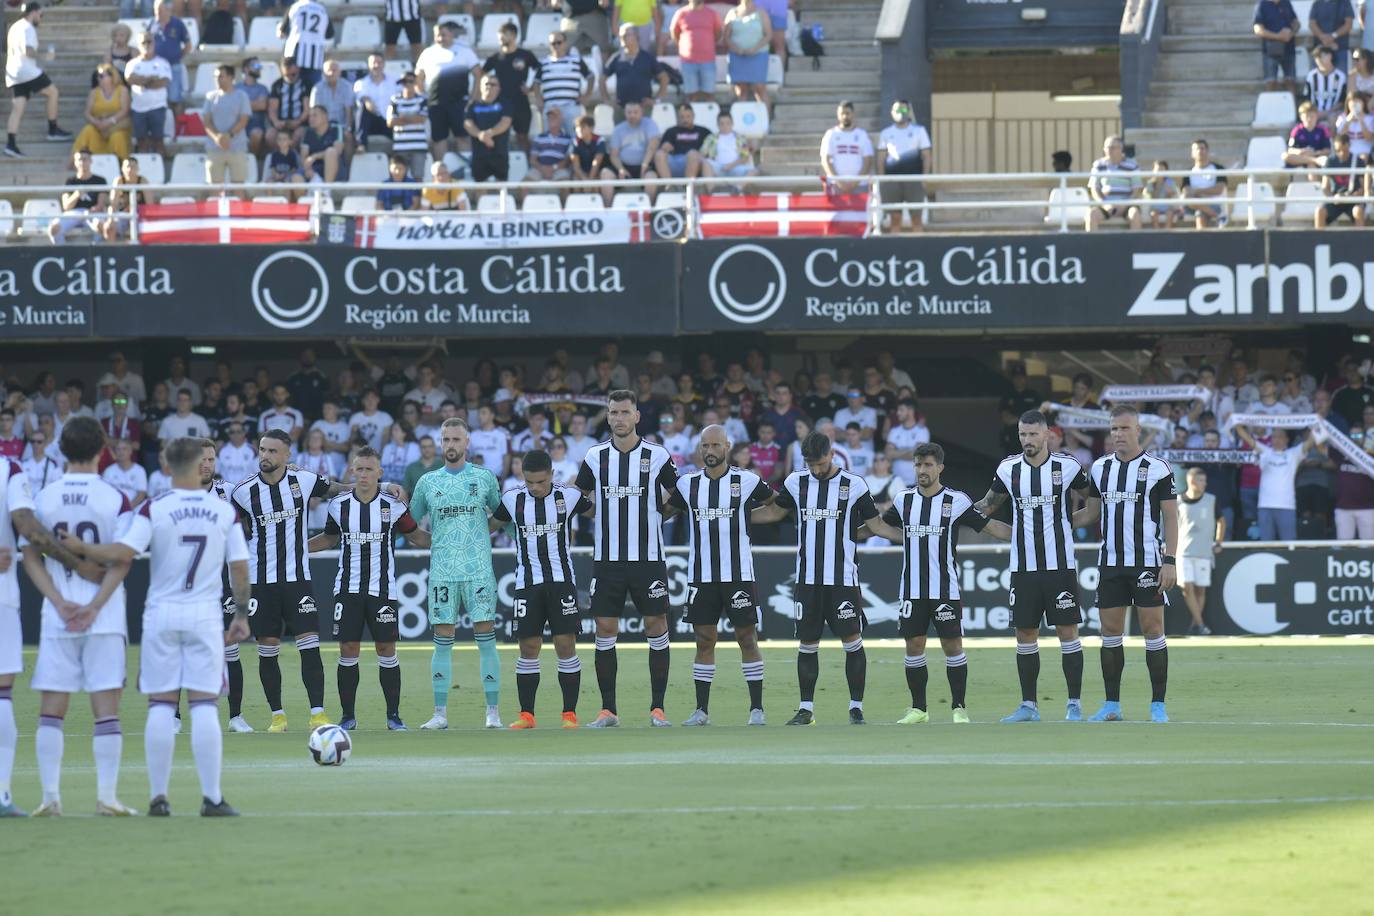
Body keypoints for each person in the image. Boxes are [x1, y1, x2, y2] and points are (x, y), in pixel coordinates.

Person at [70, 437, 250, 816]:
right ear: (200, 464)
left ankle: (158, 798)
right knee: (204, 704)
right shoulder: (223, 511)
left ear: (166, 467)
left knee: (161, 705)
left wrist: (79, 547)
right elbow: (239, 566)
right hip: (204, 615)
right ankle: (212, 798)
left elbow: (122, 554)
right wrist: (240, 616)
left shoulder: (155, 507)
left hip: (162, 614)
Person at [21, 418, 137, 817]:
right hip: (103, 618)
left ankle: (50, 797)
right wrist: (95, 606)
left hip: (58, 617)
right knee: (106, 710)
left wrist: (57, 601)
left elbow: (29, 556)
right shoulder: (115, 497)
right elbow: (123, 558)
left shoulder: (44, 497)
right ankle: (107, 797)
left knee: (51, 710)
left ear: (60, 448)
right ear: (102, 447)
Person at [1, 429, 106, 817]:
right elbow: (27, 527)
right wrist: (78, 565)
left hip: (31, 604)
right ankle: (5, 794)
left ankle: (27, 795)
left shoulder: (36, 486)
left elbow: (29, 537)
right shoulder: (10, 470)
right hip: (11, 599)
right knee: (3, 695)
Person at [862, 443, 1005, 723]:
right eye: (918, 465)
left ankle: (959, 707)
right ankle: (919, 709)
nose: (922, 470)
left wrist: (1024, 537)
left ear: (940, 468)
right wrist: (843, 533)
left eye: (928, 465)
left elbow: (989, 525)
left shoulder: (957, 501)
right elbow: (879, 527)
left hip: (945, 589)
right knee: (913, 645)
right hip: (911, 590)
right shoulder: (904, 500)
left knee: (952, 646)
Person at [975, 411, 1096, 724]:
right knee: (1025, 634)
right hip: (1024, 568)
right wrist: (955, 511)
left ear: (1046, 435)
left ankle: (1074, 705)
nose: (1027, 440)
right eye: (1022, 435)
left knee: (1067, 632)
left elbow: (1093, 501)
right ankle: (1029, 705)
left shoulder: (1067, 467)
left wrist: (1070, 523)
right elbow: (987, 507)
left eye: (1032, 435)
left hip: (1060, 566)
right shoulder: (1008, 469)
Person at [751, 432, 880, 725]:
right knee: (807, 643)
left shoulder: (854, 484)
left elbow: (874, 525)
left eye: (821, 463)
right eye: (811, 464)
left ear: (831, 454)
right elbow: (774, 512)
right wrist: (737, 516)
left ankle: (856, 707)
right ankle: (806, 708)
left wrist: (861, 534)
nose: (817, 470)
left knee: (852, 641)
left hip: (843, 579)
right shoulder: (796, 482)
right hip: (807, 579)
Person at [574, 390, 680, 727]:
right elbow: (581, 500)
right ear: (608, 417)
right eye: (613, 412)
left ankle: (658, 708)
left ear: (637, 416)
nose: (619, 418)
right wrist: (602, 517)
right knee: (605, 628)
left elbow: (678, 495)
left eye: (624, 412)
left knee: (656, 625)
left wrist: (654, 516)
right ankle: (608, 710)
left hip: (648, 559)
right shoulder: (595, 456)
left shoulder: (658, 455)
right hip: (607, 560)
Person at [308, 448, 429, 731]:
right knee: (348, 649)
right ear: (352, 471)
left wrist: (448, 540)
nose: (363, 475)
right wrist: (297, 549)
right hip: (347, 589)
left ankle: (393, 717)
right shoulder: (339, 505)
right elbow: (328, 538)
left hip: (383, 590)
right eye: (359, 469)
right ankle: (348, 717)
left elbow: (416, 536)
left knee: (386, 649)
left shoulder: (394, 506)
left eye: (369, 470)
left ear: (380, 473)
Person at [229, 430, 343, 732]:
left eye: (272, 451)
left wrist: (382, 486)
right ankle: (277, 715)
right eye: (262, 450)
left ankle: (317, 713)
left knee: (310, 644)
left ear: (287, 455)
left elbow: (338, 490)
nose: (265, 456)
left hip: (297, 580)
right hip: (261, 582)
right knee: (267, 646)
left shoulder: (303, 480)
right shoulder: (242, 491)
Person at [666, 426, 776, 726]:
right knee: (704, 639)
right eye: (705, 446)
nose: (710, 451)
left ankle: (757, 709)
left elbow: (776, 505)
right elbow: (663, 512)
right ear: (699, 449)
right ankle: (701, 710)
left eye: (716, 445)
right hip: (702, 576)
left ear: (727, 446)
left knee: (746, 637)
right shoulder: (688, 484)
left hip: (738, 573)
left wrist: (751, 519)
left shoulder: (747, 479)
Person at [1083, 406, 1178, 724]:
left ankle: (1158, 705)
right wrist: (1052, 524)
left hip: (1148, 563)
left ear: (1138, 430)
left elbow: (1171, 518)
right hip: (1110, 563)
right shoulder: (1099, 469)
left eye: (1125, 428)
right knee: (1109, 632)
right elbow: (1090, 513)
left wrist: (1170, 561)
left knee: (1153, 630)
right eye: (1114, 429)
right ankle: (1112, 705)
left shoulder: (1158, 468)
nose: (1118, 434)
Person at [409, 418, 504, 730]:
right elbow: (409, 525)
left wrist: (480, 535)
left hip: (478, 571)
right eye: (445, 439)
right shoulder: (427, 482)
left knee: (486, 640)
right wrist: (432, 543)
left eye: (456, 439)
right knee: (442, 642)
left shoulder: (485, 479)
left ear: (467, 443)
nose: (450, 445)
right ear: (440, 443)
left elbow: (500, 516)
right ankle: (440, 714)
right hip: (442, 573)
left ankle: (493, 713)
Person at [490, 449, 592, 729]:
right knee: (529, 647)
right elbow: (490, 525)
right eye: (530, 482)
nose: (535, 488)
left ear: (551, 475)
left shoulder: (568, 496)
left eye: (540, 482)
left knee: (565, 645)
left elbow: (597, 510)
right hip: (527, 583)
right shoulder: (512, 499)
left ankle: (569, 714)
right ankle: (527, 715)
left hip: (561, 582)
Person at [1232, 422, 1323, 540]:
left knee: (1289, 544)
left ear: (1286, 440)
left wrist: (1318, 422)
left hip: (1286, 506)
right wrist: (1236, 422)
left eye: (1280, 437)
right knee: (1266, 545)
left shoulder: (1293, 454)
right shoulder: (1265, 452)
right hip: (1265, 506)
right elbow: (1247, 438)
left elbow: (1310, 441)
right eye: (1274, 437)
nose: (1277, 440)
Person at [5, 2, 72, 158]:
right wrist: (45, 57)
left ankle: (11, 143)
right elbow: (28, 51)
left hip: (14, 73)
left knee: (18, 107)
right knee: (53, 92)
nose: (40, 19)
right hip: (27, 71)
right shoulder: (28, 27)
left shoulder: (15, 26)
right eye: (41, 15)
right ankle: (52, 129)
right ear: (34, 12)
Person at [415, 21, 481, 162]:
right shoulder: (428, 53)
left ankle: (466, 168)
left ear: (451, 34)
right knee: (439, 139)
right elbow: (419, 78)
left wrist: (474, 97)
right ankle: (442, 172)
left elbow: (478, 74)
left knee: (463, 137)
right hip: (436, 104)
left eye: (443, 35)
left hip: (459, 103)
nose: (440, 38)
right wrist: (424, 97)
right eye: (437, 35)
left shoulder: (464, 51)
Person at [1178, 466, 1224, 636]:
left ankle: (1195, 626)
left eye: (1205, 480)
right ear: (1191, 481)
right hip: (1183, 552)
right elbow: (1170, 525)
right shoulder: (1178, 501)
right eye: (1201, 480)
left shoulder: (1211, 500)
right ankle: (1201, 624)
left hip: (1204, 552)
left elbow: (1221, 521)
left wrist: (1218, 542)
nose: (1204, 483)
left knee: (1200, 590)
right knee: (1186, 588)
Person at [876, 99, 932, 233]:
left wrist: (924, 177)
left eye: (903, 109)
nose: (900, 113)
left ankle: (919, 249)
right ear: (892, 112)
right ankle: (895, 249)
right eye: (897, 110)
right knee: (894, 219)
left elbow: (926, 155)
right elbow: (881, 158)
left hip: (914, 179)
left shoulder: (919, 131)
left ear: (908, 112)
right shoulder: (886, 133)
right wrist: (882, 180)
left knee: (917, 218)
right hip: (892, 180)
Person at [483, 21, 538, 150]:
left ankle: (527, 163)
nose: (501, 38)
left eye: (504, 34)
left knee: (522, 137)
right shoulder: (495, 58)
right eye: (499, 35)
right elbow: (481, 74)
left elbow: (539, 71)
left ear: (513, 35)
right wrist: (489, 90)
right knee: (499, 136)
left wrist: (530, 88)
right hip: (500, 103)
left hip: (521, 102)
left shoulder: (525, 55)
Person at [124, 32, 172, 156]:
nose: (146, 44)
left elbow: (163, 82)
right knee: (141, 141)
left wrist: (141, 81)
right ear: (138, 45)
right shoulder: (132, 64)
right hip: (138, 108)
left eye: (149, 41)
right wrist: (151, 79)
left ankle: (160, 168)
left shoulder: (163, 62)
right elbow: (130, 79)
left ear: (154, 43)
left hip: (158, 107)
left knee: (158, 140)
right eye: (143, 42)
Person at [534, 31, 593, 131]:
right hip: (551, 107)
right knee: (551, 140)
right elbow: (536, 82)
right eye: (553, 43)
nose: (556, 45)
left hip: (571, 106)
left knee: (574, 138)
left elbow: (590, 77)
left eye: (559, 42)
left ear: (565, 43)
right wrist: (539, 100)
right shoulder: (543, 63)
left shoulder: (576, 60)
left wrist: (587, 95)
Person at [203, 64, 252, 184]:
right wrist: (217, 138)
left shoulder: (241, 96)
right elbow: (206, 121)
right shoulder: (210, 97)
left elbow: (244, 120)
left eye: (220, 76)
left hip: (237, 147)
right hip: (214, 148)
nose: (217, 80)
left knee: (238, 186)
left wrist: (228, 136)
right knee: (214, 187)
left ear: (231, 77)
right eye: (215, 77)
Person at [48, 149, 109, 245]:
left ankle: (97, 253)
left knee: (101, 226)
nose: (82, 162)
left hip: (92, 213)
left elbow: (100, 205)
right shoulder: (70, 181)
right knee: (54, 228)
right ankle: (61, 253)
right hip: (74, 212)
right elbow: (66, 206)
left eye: (85, 159)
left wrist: (91, 211)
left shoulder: (100, 180)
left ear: (91, 161)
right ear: (75, 163)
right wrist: (76, 194)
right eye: (79, 160)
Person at [603, 23, 668, 110]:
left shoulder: (648, 57)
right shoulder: (616, 58)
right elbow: (601, 79)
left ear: (637, 36)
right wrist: (607, 100)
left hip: (643, 109)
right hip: (622, 109)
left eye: (626, 35)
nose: (622, 38)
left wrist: (656, 100)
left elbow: (664, 78)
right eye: (621, 35)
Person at [73, 65, 132, 161]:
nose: (98, 78)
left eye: (101, 76)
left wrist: (110, 121)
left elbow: (125, 110)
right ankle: (77, 160)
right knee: (88, 130)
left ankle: (121, 163)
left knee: (117, 137)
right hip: (99, 126)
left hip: (117, 125)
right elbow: (87, 112)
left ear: (112, 76)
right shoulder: (94, 92)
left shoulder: (122, 90)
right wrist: (96, 122)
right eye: (98, 76)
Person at [670, 0, 723, 102]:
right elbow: (674, 33)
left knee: (709, 94)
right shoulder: (681, 13)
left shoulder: (712, 14)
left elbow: (718, 32)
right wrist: (684, 46)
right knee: (691, 95)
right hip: (688, 61)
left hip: (708, 60)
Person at [1086, 134, 1142, 231]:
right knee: (1091, 215)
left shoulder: (1132, 165)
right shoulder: (1098, 165)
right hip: (1106, 204)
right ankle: (1092, 245)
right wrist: (1105, 204)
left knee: (1135, 214)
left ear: (1121, 149)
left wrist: (1124, 205)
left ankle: (1134, 245)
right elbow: (1094, 189)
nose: (1109, 150)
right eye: (1107, 148)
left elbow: (1137, 190)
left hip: (1127, 204)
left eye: (1112, 148)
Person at [464, 73, 513, 184]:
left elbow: (506, 122)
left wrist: (489, 134)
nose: (489, 86)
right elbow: (468, 123)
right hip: (479, 154)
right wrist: (481, 135)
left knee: (502, 187)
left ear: (499, 88)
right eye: (486, 83)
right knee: (480, 187)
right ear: (480, 86)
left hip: (499, 153)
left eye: (493, 84)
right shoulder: (472, 105)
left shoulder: (505, 103)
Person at [147, 0, 192, 115]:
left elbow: (188, 45)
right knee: (158, 99)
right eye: (156, 10)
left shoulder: (178, 24)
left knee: (175, 98)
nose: (157, 13)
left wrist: (178, 55)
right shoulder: (152, 23)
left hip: (174, 66)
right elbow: (147, 43)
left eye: (160, 11)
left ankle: (179, 128)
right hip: (156, 67)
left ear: (168, 10)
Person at [723, 0, 771, 106]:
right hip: (737, 56)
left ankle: (765, 118)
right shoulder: (732, 13)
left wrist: (754, 49)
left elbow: (768, 35)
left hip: (758, 55)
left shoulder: (761, 13)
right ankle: (741, 118)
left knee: (759, 88)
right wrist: (736, 49)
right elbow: (726, 37)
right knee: (741, 90)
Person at [820, 100, 874, 193]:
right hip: (836, 185)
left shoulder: (862, 135)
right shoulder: (831, 134)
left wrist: (856, 182)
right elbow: (826, 160)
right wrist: (838, 181)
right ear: (838, 115)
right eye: (842, 113)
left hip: (860, 185)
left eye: (847, 113)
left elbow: (868, 160)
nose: (845, 116)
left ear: (853, 114)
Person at [387, 71, 430, 182]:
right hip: (400, 147)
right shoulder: (394, 100)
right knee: (399, 177)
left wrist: (402, 117)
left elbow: (422, 119)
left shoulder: (422, 100)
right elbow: (390, 122)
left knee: (418, 177)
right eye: (404, 82)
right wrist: (412, 117)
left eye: (410, 81)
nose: (407, 84)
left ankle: (418, 199)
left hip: (419, 146)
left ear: (415, 83)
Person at [1317, 133, 1366, 227]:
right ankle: (1320, 240)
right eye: (1338, 151)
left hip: (1353, 200)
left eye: (1345, 150)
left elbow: (1363, 187)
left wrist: (1354, 196)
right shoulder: (1330, 161)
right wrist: (1333, 198)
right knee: (1320, 212)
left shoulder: (1358, 161)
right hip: (1336, 199)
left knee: (1358, 211)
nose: (1342, 153)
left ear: (1349, 146)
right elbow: (1324, 187)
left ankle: (1360, 240)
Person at [279, 0, 330, 90]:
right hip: (315, 56)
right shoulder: (322, 10)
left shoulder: (295, 7)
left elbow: (282, 32)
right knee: (314, 89)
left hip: (295, 53)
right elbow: (329, 34)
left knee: (294, 88)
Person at [654, 102, 710, 179]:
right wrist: (665, 147)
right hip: (674, 161)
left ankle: (688, 187)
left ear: (693, 116)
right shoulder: (670, 131)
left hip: (694, 162)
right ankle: (669, 186)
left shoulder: (704, 131)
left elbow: (711, 148)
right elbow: (663, 148)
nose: (685, 119)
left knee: (692, 154)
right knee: (659, 154)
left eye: (688, 116)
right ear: (678, 118)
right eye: (682, 117)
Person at [310, 60, 355, 156]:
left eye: (334, 70)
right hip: (323, 125)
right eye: (328, 70)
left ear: (340, 72)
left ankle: (348, 169)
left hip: (341, 126)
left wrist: (348, 128)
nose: (331, 73)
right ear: (323, 73)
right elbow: (314, 112)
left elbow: (349, 111)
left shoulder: (347, 87)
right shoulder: (317, 89)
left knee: (348, 137)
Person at [608, 99, 660, 182]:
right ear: (625, 113)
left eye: (635, 112)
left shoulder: (650, 124)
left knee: (651, 178)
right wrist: (621, 169)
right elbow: (614, 155)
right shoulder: (617, 129)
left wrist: (645, 165)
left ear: (641, 112)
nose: (632, 115)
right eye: (629, 112)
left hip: (646, 165)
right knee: (606, 174)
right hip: (623, 166)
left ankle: (650, 195)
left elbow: (653, 146)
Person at [1254, 0, 1300, 93]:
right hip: (1270, 51)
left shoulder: (1286, 3)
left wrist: (1291, 33)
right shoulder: (1262, 5)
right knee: (1271, 82)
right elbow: (1258, 29)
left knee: (1290, 81)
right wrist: (1278, 36)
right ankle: (1269, 106)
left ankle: (1292, 106)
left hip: (1289, 49)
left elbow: (1296, 22)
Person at [1181, 138, 1227, 229]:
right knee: (1189, 199)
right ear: (1192, 153)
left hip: (1214, 204)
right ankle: (1219, 217)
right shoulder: (1188, 172)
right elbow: (1186, 192)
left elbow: (1219, 190)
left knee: (1200, 213)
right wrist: (1202, 195)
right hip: (1192, 206)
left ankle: (1201, 240)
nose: (1200, 151)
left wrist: (1197, 192)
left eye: (1202, 148)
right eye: (1196, 149)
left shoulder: (1218, 168)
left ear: (1207, 151)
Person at [701, 110, 758, 183]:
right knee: (705, 163)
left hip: (735, 167)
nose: (725, 126)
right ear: (718, 125)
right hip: (718, 168)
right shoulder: (711, 138)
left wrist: (731, 165)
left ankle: (738, 189)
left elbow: (745, 157)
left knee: (754, 171)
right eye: (722, 124)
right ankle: (711, 191)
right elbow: (702, 153)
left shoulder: (740, 138)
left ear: (732, 123)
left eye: (728, 123)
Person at [353, 53, 397, 147]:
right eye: (373, 63)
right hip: (371, 123)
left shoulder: (395, 82)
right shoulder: (361, 83)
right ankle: (361, 144)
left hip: (390, 122)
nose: (376, 65)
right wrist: (367, 100)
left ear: (384, 64)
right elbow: (363, 98)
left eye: (379, 62)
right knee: (363, 107)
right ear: (368, 65)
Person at [267, 57, 308, 149]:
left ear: (298, 69)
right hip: (281, 123)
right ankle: (279, 157)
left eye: (293, 74)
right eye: (286, 75)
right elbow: (272, 108)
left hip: (299, 123)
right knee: (270, 136)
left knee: (298, 135)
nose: (290, 77)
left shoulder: (305, 84)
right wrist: (276, 122)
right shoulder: (277, 85)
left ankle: (291, 158)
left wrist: (298, 121)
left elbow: (307, 109)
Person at [527, 104, 574, 184]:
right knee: (525, 182)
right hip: (540, 169)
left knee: (565, 183)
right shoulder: (539, 138)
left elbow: (567, 160)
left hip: (559, 170)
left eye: (554, 117)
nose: (551, 119)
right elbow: (533, 160)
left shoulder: (568, 139)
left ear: (561, 119)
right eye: (549, 117)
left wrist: (554, 168)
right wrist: (543, 169)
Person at [237, 57, 271, 156]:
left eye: (260, 66)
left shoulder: (263, 88)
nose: (259, 68)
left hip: (255, 124)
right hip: (238, 123)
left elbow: (262, 105)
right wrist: (253, 104)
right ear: (246, 69)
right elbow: (233, 106)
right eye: (256, 66)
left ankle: (252, 160)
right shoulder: (236, 87)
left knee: (257, 134)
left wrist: (241, 104)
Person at [1305, 45, 1347, 126]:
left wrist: (1327, 112)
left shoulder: (1341, 76)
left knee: (1333, 118)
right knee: (1310, 117)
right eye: (1316, 57)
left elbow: (1342, 100)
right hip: (1314, 111)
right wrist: (1315, 111)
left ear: (1330, 56)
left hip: (1334, 111)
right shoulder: (1311, 76)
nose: (1319, 59)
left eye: (1321, 56)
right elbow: (1307, 98)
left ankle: (1333, 138)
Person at [300, 103, 343, 183]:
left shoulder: (335, 128)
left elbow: (338, 150)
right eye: (310, 116)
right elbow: (304, 156)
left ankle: (327, 190)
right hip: (314, 169)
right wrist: (307, 169)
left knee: (331, 152)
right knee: (296, 178)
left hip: (334, 168)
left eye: (315, 115)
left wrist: (315, 156)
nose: (311, 119)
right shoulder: (308, 132)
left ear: (325, 117)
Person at [1285, 100, 1333, 169]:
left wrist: (1314, 153)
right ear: (1301, 117)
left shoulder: (1323, 130)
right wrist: (1301, 151)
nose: (1309, 119)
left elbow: (1327, 150)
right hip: (1300, 159)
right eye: (1307, 116)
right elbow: (1290, 150)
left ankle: (1313, 161)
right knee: (1285, 156)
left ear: (1316, 116)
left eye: (1312, 116)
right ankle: (1313, 161)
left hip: (1318, 157)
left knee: (1312, 166)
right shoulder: (1296, 130)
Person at [1309, 0, 1355, 70]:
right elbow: (1312, 24)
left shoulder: (1345, 3)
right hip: (1320, 49)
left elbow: (1348, 24)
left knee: (1341, 78)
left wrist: (1333, 36)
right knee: (1317, 78)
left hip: (1340, 48)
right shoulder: (1317, 3)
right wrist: (1323, 37)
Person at [102, 439, 148, 508]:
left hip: (133, 510)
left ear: (130, 451)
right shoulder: (109, 471)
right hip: (113, 509)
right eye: (118, 449)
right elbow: (105, 492)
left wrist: (127, 508)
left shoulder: (139, 470)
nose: (121, 452)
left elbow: (141, 494)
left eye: (124, 449)